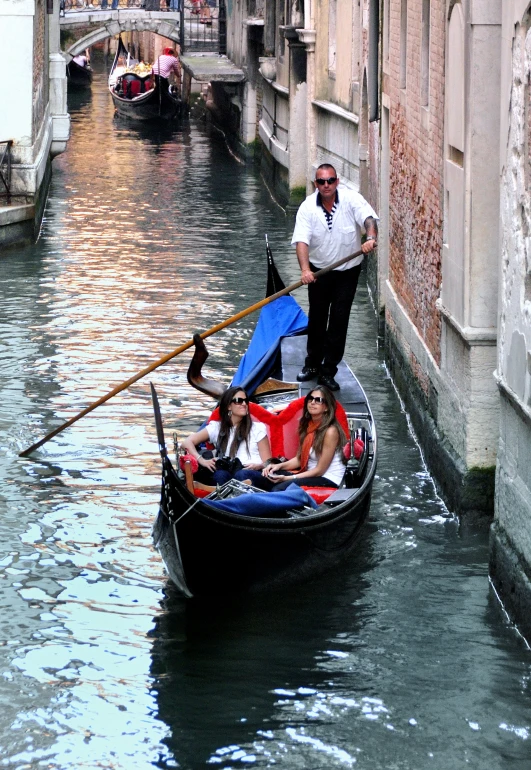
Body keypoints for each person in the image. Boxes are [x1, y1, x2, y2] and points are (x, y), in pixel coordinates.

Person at [291, 163, 379, 391]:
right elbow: (302, 241)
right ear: (316, 184)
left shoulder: (351, 200)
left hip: (348, 271)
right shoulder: (307, 208)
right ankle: (312, 364)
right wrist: (304, 270)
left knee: (339, 320)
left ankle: (328, 371)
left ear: (337, 181)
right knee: (318, 319)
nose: (326, 185)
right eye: (322, 181)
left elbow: (368, 219)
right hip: (319, 271)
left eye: (330, 180)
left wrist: (369, 237)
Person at [181, 386, 273, 490]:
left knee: (241, 475)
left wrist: (258, 466)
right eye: (239, 401)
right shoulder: (217, 428)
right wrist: (202, 460)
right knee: (219, 475)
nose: (244, 404)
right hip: (229, 473)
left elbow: (268, 462)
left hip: (254, 474)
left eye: (246, 400)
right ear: (229, 406)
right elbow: (186, 442)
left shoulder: (257, 428)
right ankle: (221, 502)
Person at [262, 387, 347, 492]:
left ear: (327, 407)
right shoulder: (309, 426)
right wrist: (278, 466)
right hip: (312, 474)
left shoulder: (331, 431)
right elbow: (300, 459)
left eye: (318, 400)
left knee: (278, 489)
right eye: (310, 399)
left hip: (329, 479)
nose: (312, 402)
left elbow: (320, 470)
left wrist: (288, 478)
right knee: (266, 476)